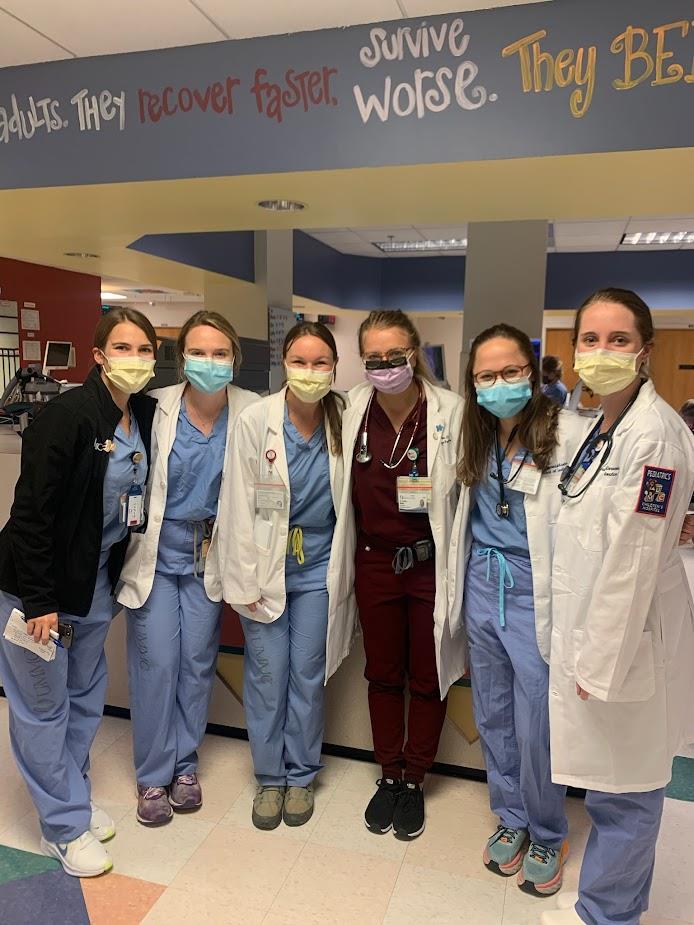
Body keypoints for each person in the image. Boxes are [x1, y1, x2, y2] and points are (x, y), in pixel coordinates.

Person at [541, 288, 694, 925]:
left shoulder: (654, 438)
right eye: (591, 340)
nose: (601, 353)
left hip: (622, 646)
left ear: (646, 352)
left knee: (627, 793)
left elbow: (632, 561)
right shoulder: (602, 425)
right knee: (609, 787)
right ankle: (607, 908)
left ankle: (609, 916)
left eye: (619, 340)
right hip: (593, 635)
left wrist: (596, 662)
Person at [0, 308, 158, 877]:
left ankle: (71, 795)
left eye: (144, 349)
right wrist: (38, 601)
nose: (135, 359)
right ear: (97, 355)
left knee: (86, 699)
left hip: (93, 591)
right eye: (122, 347)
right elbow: (31, 516)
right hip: (37, 594)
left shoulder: (141, 414)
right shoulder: (65, 417)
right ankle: (62, 828)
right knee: (42, 708)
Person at [447, 324, 589, 896]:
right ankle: (510, 818)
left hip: (536, 589)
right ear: (473, 382)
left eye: (510, 372)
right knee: (494, 712)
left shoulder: (567, 433)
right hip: (483, 580)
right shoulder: (474, 434)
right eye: (486, 375)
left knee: (537, 724)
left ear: (530, 374)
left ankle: (548, 831)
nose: (499, 383)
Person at [117, 311, 258, 826]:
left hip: (209, 553)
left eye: (220, 353)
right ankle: (152, 775)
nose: (210, 362)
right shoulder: (154, 408)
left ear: (235, 360)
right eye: (199, 352)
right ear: (181, 359)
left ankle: (184, 766)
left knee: (198, 664)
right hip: (157, 552)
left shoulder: (251, 411)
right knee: (157, 663)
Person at [328, 310, 465, 840]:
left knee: (428, 676)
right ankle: (388, 774)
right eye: (374, 358)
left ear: (416, 354)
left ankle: (415, 779)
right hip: (375, 561)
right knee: (383, 673)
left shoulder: (449, 412)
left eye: (395, 356)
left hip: (431, 563)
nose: (385, 367)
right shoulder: (353, 410)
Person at [224, 322, 353, 831]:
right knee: (266, 675)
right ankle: (269, 778)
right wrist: (244, 580)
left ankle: (300, 776)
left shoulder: (345, 416)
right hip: (264, 566)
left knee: (306, 673)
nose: (310, 372)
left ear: (335, 368)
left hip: (320, 568)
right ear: (284, 365)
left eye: (321, 363)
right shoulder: (257, 419)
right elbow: (235, 502)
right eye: (300, 362)